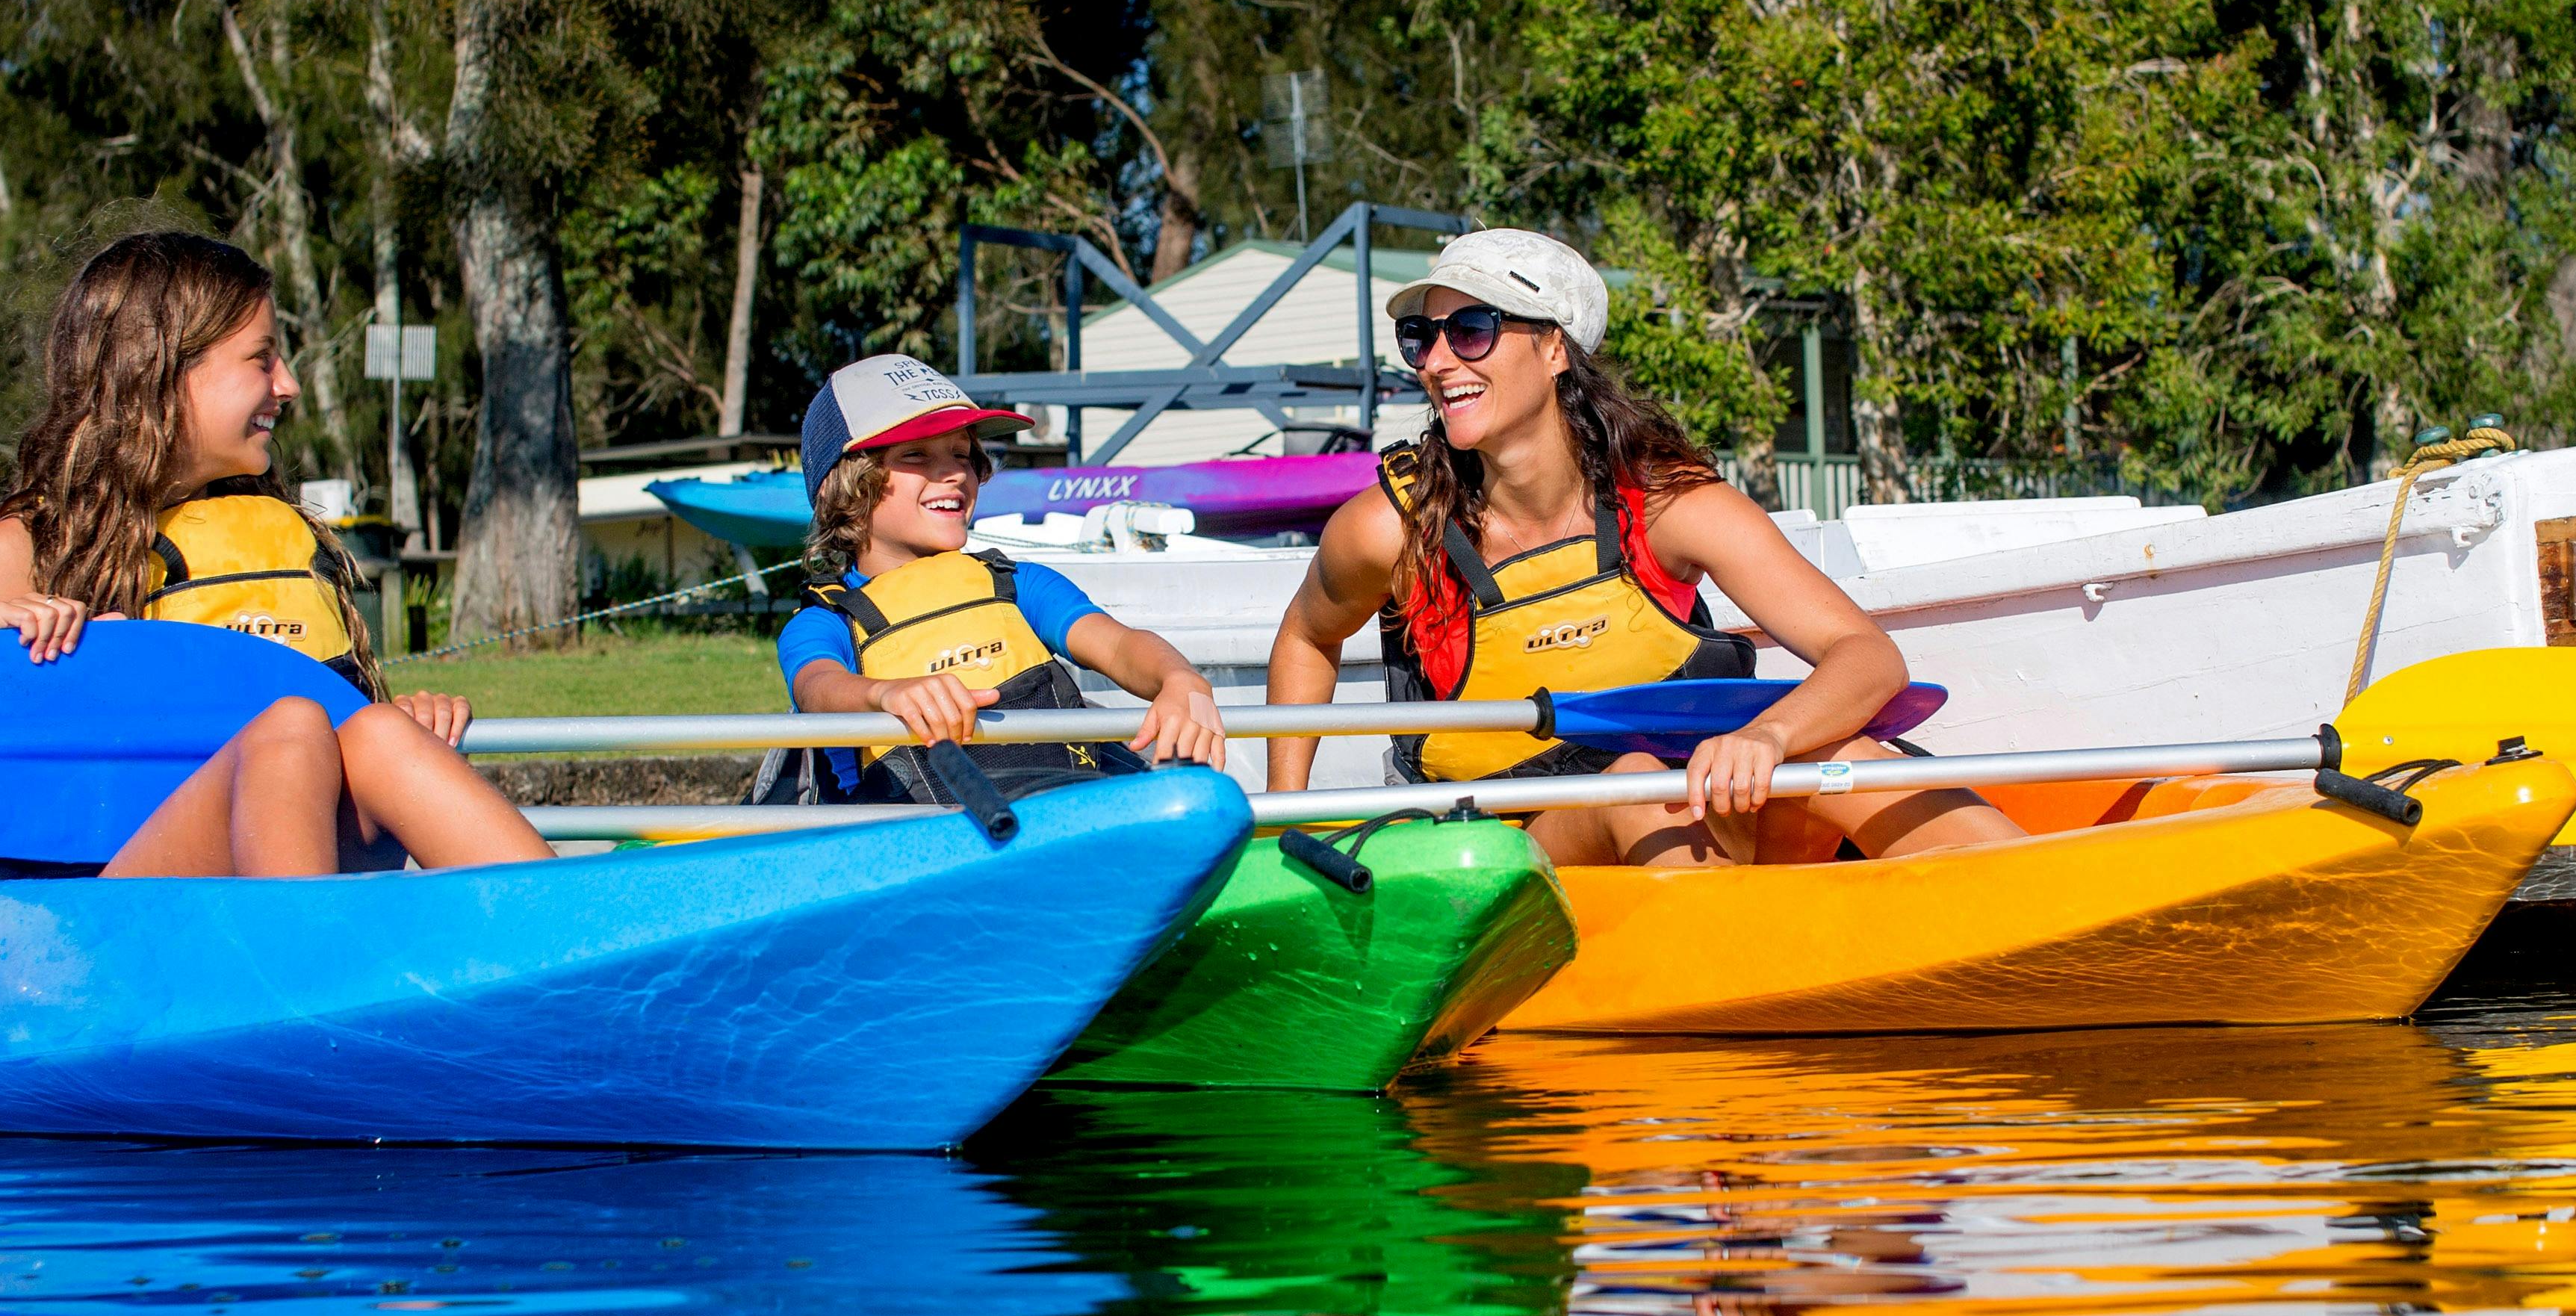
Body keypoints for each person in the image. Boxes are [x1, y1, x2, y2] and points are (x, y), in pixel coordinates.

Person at [1264, 229, 2020, 867]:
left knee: (1841, 756)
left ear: (1553, 349)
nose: (1435, 361)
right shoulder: (1390, 530)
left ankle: (2046, 903)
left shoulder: (1666, 503)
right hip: (1505, 855)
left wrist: (1768, 735)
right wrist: (1280, 826)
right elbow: (1306, 635)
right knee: (1630, 784)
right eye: (1419, 337)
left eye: (1470, 330)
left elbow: (1867, 655)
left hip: (1686, 816)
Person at [0, 222, 550, 879]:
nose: (289, 385)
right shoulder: (22, 549)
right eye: (262, 359)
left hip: (252, 878)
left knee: (379, 734)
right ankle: (307, 948)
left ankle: (581, 924)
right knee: (293, 732)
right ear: (162, 371)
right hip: (97, 912)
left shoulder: (274, 542)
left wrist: (417, 729)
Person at [760, 355, 1227, 806]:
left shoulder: (1020, 585)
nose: (953, 474)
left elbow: (1120, 646)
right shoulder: (826, 622)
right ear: (843, 486)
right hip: (910, 835)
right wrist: (885, 693)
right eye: (916, 455)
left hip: (1054, 812)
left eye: (962, 454)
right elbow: (818, 687)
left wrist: (1178, 677)